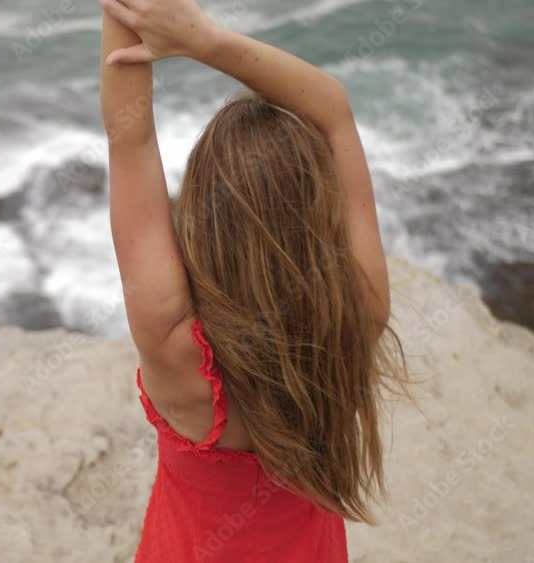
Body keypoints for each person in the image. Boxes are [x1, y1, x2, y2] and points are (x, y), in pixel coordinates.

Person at [98, 0, 408, 560]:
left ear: (201, 217)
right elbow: (334, 111)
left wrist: (137, 20)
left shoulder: (178, 352)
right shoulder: (359, 313)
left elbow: (130, 138)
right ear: (323, 214)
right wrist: (203, 39)